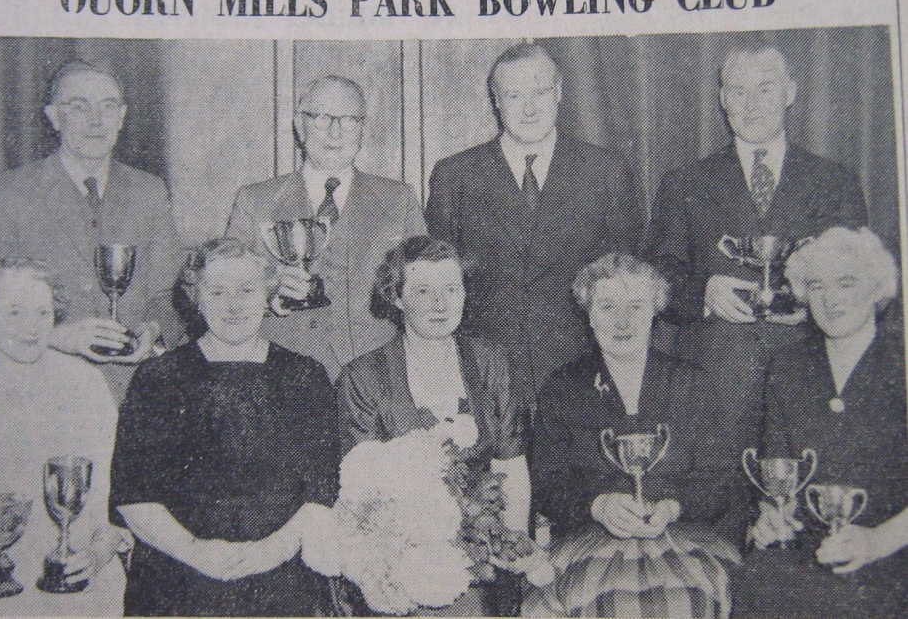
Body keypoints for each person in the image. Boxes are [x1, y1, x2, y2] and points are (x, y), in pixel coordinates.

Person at [646, 45, 867, 457]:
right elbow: (657, 278)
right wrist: (705, 293)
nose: (751, 105)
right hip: (714, 383)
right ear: (723, 100)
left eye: (765, 89)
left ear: (790, 93)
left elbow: (858, 281)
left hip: (809, 378)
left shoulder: (835, 182)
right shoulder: (684, 183)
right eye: (738, 91)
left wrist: (815, 301)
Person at [109, 238, 339, 616]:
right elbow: (133, 494)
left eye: (247, 290)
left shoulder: (305, 377)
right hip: (178, 583)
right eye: (217, 292)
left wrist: (268, 553)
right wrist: (197, 552)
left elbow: (322, 490)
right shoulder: (158, 378)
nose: (234, 305)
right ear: (196, 299)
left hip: (281, 582)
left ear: (268, 294)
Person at [426, 42, 644, 413]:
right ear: (495, 100)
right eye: (514, 95)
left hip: (582, 374)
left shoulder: (606, 171)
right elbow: (437, 283)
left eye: (540, 92)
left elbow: (630, 281)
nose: (529, 109)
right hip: (486, 379)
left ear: (559, 92)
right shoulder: (456, 175)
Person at [526, 253, 743, 618]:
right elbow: (547, 484)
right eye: (608, 306)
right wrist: (598, 506)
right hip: (588, 540)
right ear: (589, 315)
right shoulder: (562, 387)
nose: (623, 321)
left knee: (687, 600)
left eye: (637, 306)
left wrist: (673, 507)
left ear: (655, 311)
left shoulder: (691, 382)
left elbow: (721, 481)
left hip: (687, 537)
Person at [0, 60, 185, 400]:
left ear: (122, 117)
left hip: (136, 392)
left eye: (107, 106)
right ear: (53, 117)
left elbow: (171, 294)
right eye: (79, 106)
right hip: (41, 388)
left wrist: (153, 331)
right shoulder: (12, 191)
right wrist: (57, 334)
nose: (95, 121)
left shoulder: (149, 191)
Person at [337, 235, 530, 616]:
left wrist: (512, 548)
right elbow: (362, 500)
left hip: (486, 549)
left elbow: (511, 467)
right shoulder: (362, 376)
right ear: (396, 297)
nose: (441, 304)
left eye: (451, 289)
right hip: (400, 555)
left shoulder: (491, 361)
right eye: (423, 291)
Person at [733, 227, 908, 618]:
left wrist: (877, 542)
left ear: (877, 288)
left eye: (846, 283)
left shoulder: (902, 362)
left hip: (893, 550)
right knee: (755, 580)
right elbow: (779, 478)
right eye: (816, 286)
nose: (830, 299)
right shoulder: (788, 368)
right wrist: (774, 517)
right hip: (811, 549)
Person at [226, 76, 427, 381]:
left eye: (348, 120)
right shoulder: (255, 200)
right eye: (321, 118)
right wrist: (267, 290)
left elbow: (423, 287)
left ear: (362, 128)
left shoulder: (399, 199)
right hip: (278, 374)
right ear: (299, 125)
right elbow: (221, 289)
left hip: (375, 376)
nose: (335, 132)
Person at [0, 259, 130, 616]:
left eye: (43, 312)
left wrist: (99, 551)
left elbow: (118, 493)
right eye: (15, 312)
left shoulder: (86, 384)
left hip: (78, 575)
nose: (31, 328)